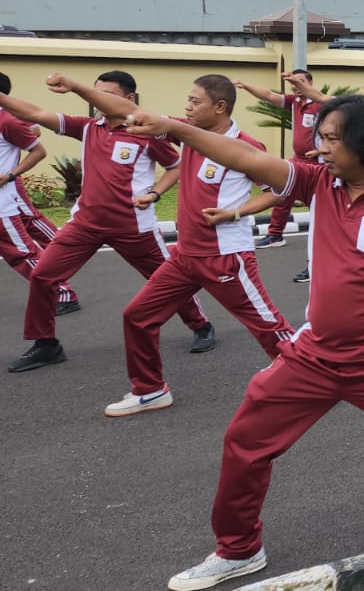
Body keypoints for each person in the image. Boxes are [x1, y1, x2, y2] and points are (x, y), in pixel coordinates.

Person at [143, 94, 364, 590]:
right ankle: (238, 550)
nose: (322, 147)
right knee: (244, 442)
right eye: (321, 137)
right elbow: (245, 158)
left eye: (333, 138)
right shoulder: (317, 183)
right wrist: (173, 127)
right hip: (312, 356)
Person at [46, 73, 294, 416]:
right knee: (138, 316)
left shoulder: (246, 146)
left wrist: (234, 212)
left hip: (225, 256)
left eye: (195, 102)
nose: (187, 107)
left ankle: (310, 375)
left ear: (220, 107)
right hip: (185, 257)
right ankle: (149, 390)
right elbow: (127, 110)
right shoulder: (185, 133)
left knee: (268, 326)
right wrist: (76, 87)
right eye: (187, 101)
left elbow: (279, 192)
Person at [3, 71, 215, 373]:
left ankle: (201, 325)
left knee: (168, 281)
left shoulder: (147, 131)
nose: (98, 100)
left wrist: (154, 193)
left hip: (134, 227)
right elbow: (37, 113)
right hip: (85, 225)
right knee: (43, 276)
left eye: (107, 94)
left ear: (129, 100)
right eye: (95, 92)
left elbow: (175, 166)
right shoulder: (88, 128)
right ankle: (46, 344)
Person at [236, 70, 323, 283]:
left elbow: (339, 131)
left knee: (321, 212)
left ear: (311, 84)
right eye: (293, 82)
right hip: (297, 160)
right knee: (281, 193)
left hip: (319, 164)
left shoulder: (322, 104)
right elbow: (269, 95)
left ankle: (317, 265)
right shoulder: (295, 102)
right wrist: (246, 85)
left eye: (301, 82)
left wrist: (321, 151)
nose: (295, 85)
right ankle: (275, 234)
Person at [0, 74, 76, 311]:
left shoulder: (8, 121)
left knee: (22, 253)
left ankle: (62, 293)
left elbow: (36, 144)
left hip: (2, 203)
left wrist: (9, 175)